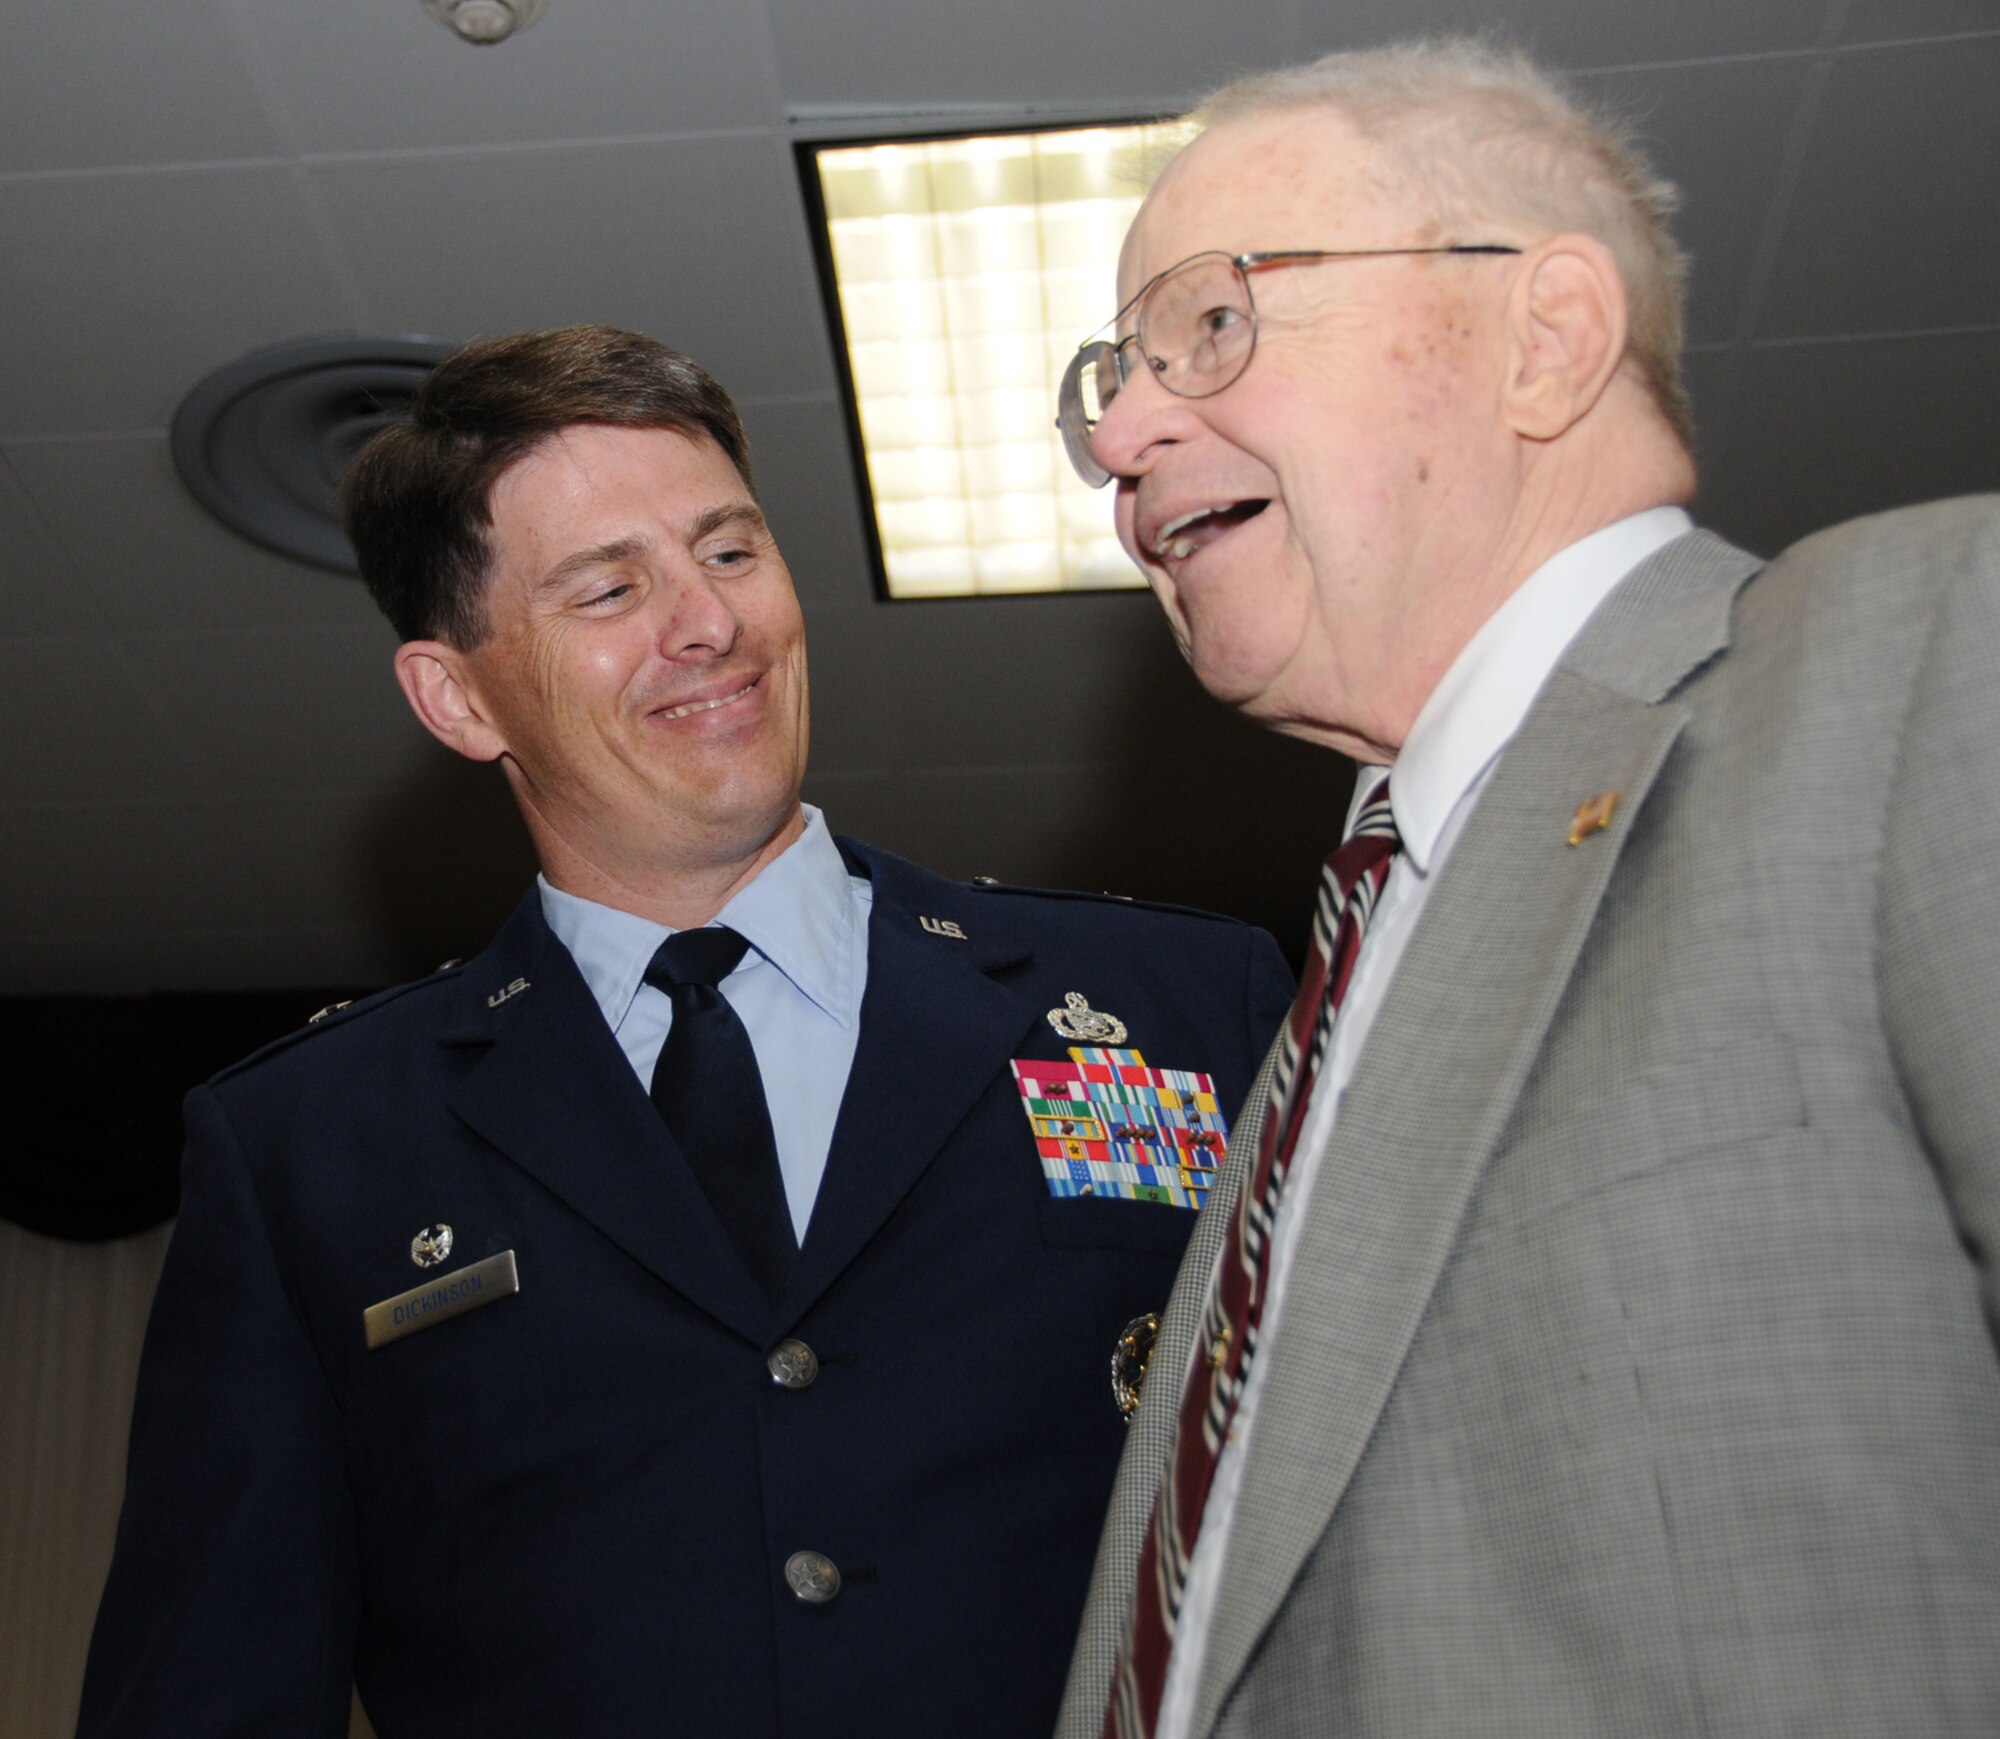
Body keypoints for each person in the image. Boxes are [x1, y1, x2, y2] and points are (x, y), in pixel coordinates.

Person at [77, 325, 1293, 1738]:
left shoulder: (1185, 1010)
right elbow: (210, 1688)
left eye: (729, 552)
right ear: (458, 698)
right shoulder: (313, 1148)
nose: (709, 622)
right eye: (610, 587)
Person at [1053, 39, 2000, 1739]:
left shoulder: (1929, 652)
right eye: (1110, 372)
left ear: (1543, 339)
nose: (1119, 433)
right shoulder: (1330, 990)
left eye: (1211, 323)